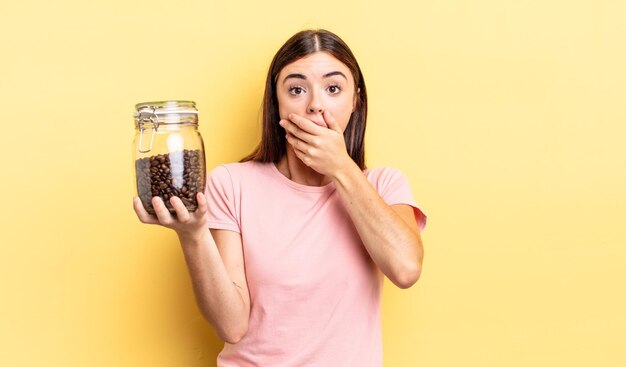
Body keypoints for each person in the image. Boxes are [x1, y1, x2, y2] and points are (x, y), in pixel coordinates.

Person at [133, 29, 427, 367]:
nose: (315, 104)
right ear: (277, 103)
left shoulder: (384, 185)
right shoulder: (232, 184)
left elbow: (406, 269)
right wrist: (193, 235)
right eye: (297, 89)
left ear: (355, 100)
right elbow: (232, 326)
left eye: (333, 89)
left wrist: (342, 169)